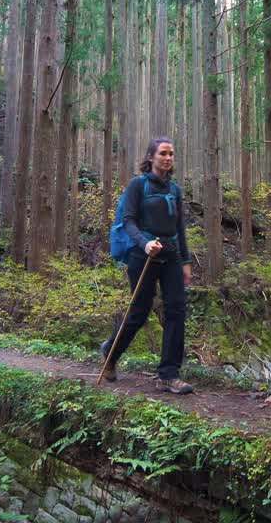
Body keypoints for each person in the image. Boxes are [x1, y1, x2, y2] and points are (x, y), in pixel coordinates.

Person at [99, 137, 194, 394]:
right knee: (140, 310)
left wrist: (185, 260)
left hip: (171, 255)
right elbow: (128, 220)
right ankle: (110, 352)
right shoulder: (137, 186)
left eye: (171, 154)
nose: (168, 158)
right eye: (163, 153)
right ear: (151, 157)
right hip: (143, 256)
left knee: (176, 310)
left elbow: (180, 228)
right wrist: (143, 244)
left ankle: (168, 374)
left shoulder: (174, 190)